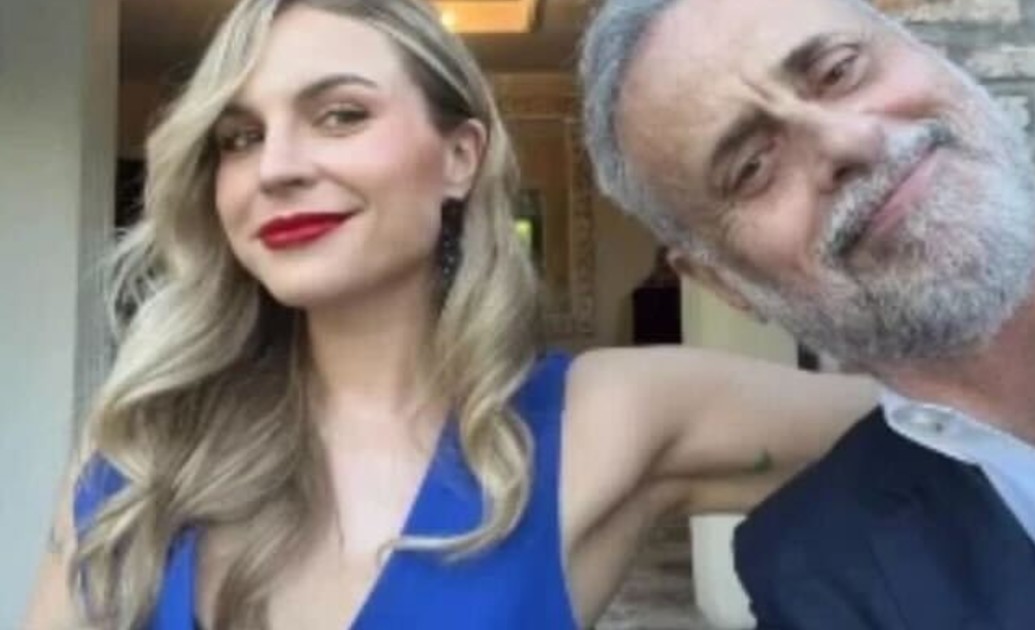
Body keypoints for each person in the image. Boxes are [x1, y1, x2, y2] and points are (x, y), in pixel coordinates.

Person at [22, 1, 886, 628]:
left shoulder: (609, 417)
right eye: (239, 137)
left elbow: (951, 423)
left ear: (459, 158)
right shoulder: (137, 458)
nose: (275, 167)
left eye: (340, 115)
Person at [579, 0, 1035, 628]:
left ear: (932, 54)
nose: (849, 142)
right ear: (722, 283)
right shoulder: (810, 570)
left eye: (839, 70)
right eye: (753, 168)